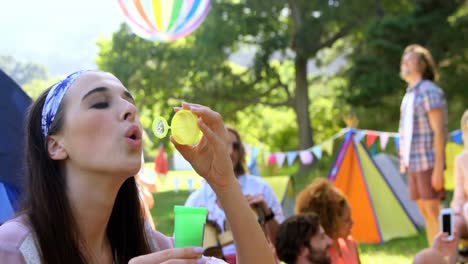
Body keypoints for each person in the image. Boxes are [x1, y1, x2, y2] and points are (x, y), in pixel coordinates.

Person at [0, 70, 275, 264]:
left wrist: (224, 183)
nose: (129, 110)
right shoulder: (13, 249)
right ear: (56, 146)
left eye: (128, 101)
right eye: (100, 103)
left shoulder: (153, 247)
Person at [185, 125, 284, 263]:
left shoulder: (260, 188)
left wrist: (267, 213)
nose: (231, 152)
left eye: (235, 146)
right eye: (223, 145)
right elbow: (183, 252)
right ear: (208, 148)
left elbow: (284, 245)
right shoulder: (196, 201)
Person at [399, 44, 448, 245]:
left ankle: (445, 256)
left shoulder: (429, 91)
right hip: (413, 162)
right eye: (404, 59)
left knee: (433, 211)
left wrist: (438, 168)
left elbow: (439, 131)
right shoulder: (409, 94)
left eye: (410, 59)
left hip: (428, 161)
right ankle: (434, 255)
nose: (404, 63)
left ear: (422, 64)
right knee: (425, 212)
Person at [295, 178, 360, 264]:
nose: (352, 223)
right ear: (329, 224)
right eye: (346, 220)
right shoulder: (316, 257)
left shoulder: (350, 245)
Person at [448, 110, 468, 260]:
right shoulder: (461, 159)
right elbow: (459, 196)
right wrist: (456, 209)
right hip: (466, 213)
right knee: (450, 223)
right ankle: (451, 260)